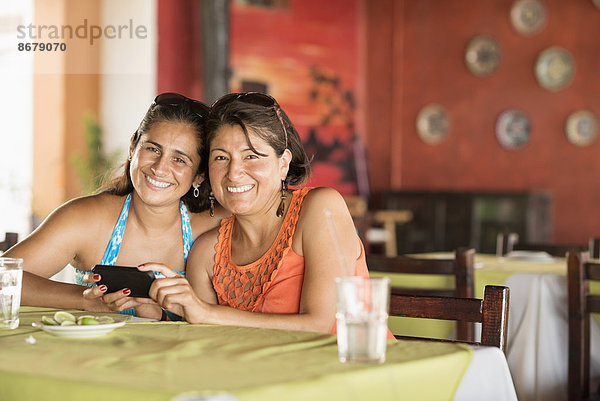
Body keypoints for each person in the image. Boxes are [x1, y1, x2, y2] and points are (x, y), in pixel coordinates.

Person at [141, 92, 383, 334]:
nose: (234, 172)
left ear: (283, 164)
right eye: (221, 157)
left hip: (356, 366)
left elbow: (319, 325)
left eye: (251, 156)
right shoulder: (205, 254)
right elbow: (208, 342)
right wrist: (161, 313)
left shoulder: (320, 208)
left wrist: (205, 313)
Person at [4, 92, 226, 319]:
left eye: (179, 159)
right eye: (153, 149)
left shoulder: (215, 227)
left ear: (199, 175)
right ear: (133, 147)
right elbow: (4, 278)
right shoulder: (87, 218)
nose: (160, 168)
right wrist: (87, 300)